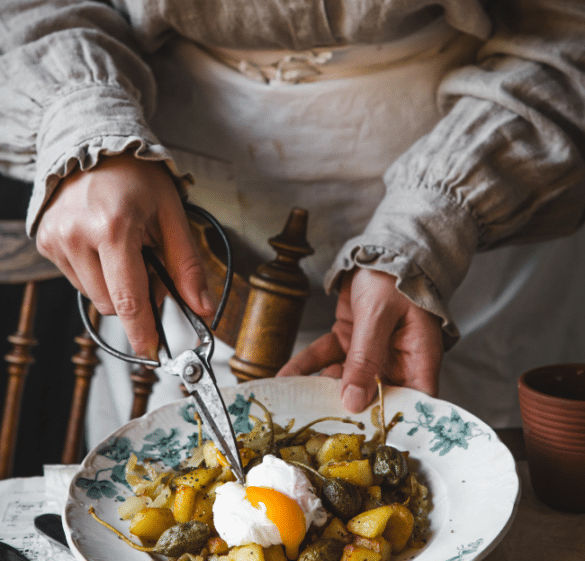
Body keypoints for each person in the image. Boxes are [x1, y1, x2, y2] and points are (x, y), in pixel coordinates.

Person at [2, 0, 585, 447]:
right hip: (162, 204)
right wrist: (81, 125)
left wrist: (437, 219)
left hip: (487, 189)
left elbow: (568, 26)